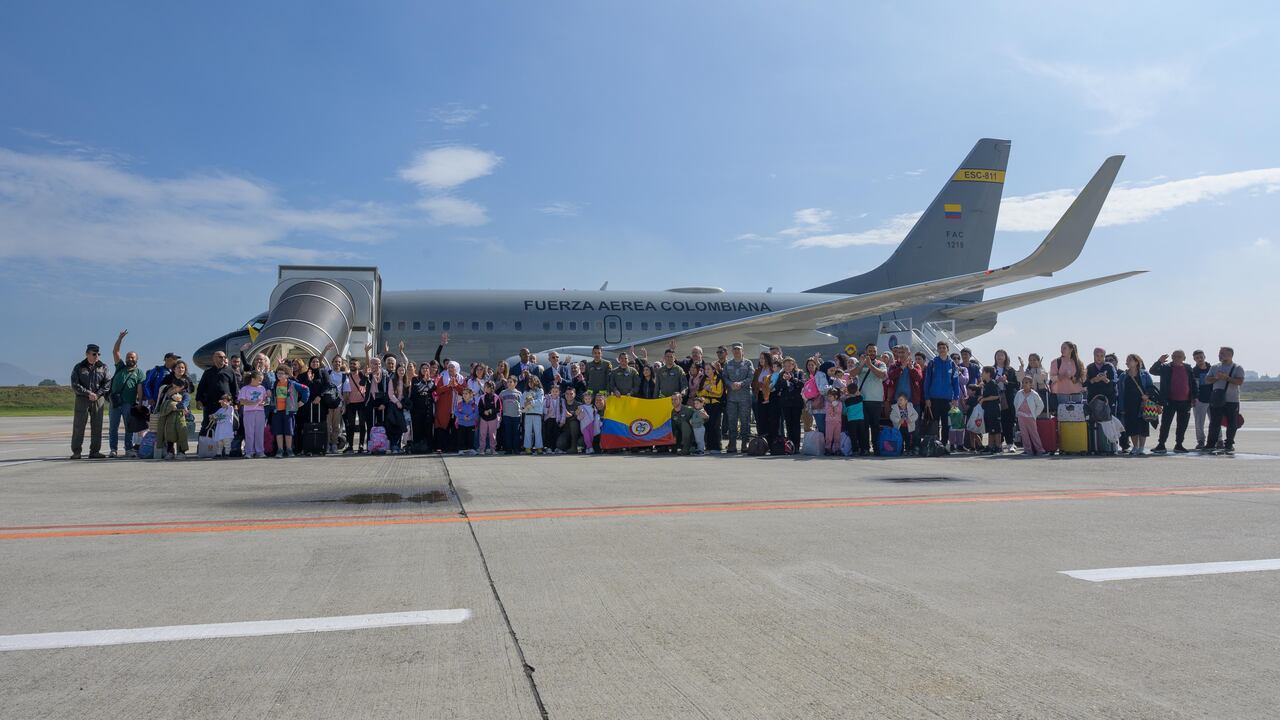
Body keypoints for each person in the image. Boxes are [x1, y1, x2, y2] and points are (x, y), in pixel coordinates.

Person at [1150, 350, 1198, 453]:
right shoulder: (1166, 367)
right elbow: (1152, 371)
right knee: (1165, 424)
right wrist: (1159, 361)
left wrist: (1195, 396)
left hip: (1185, 402)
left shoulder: (1188, 368)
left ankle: (1179, 445)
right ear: (1171, 357)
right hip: (1170, 401)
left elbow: (1193, 383)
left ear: (1184, 358)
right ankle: (1161, 444)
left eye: (1179, 356)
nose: (1177, 358)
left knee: (1182, 425)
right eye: (1175, 356)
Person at [70, 343, 111, 459]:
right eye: (94, 354)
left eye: (98, 354)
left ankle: (95, 451)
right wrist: (88, 393)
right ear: (87, 354)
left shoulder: (103, 367)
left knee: (97, 426)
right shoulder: (79, 367)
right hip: (82, 399)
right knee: (79, 426)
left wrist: (97, 394)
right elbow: (75, 384)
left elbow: (107, 383)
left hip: (98, 399)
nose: (96, 356)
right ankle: (76, 451)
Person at [107, 330, 144, 458]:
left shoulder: (139, 372)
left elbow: (140, 388)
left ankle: (128, 448)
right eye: (128, 357)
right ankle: (113, 449)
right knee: (113, 427)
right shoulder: (120, 367)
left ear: (136, 359)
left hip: (128, 403)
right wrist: (120, 338)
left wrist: (139, 403)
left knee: (129, 427)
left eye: (132, 357)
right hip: (115, 402)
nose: (130, 359)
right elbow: (115, 352)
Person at [1203, 347, 1244, 455]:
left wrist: (1227, 378)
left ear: (1230, 355)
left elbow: (1240, 381)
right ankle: (1210, 444)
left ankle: (1229, 444)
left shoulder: (1237, 367)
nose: (1220, 355)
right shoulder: (1215, 367)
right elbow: (1207, 380)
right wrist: (1216, 378)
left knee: (1232, 423)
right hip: (1217, 399)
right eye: (1220, 353)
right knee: (1214, 423)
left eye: (1223, 353)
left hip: (1232, 400)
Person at [1116, 354, 1159, 456]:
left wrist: (1147, 395)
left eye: (1130, 360)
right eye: (1127, 360)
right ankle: (1135, 447)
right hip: (1129, 404)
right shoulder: (1123, 376)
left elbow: (1151, 387)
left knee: (1143, 426)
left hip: (1142, 404)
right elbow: (1120, 392)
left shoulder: (1144, 374)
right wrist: (1121, 406)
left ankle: (1141, 448)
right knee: (1131, 426)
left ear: (1136, 362)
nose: (1127, 362)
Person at [922, 342, 962, 446]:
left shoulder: (953, 364)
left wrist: (956, 398)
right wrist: (927, 398)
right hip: (934, 398)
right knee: (934, 423)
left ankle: (944, 444)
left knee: (946, 424)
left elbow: (955, 382)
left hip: (947, 399)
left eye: (944, 348)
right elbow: (927, 381)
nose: (942, 349)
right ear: (937, 350)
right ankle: (934, 444)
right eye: (940, 348)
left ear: (947, 349)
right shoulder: (932, 363)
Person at [851, 345, 887, 455]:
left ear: (876, 352)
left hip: (876, 400)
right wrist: (862, 364)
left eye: (874, 351)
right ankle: (865, 448)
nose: (871, 353)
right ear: (866, 351)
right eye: (869, 351)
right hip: (862, 399)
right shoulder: (860, 363)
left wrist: (870, 365)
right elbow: (852, 374)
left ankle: (876, 448)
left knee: (875, 425)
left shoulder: (881, 363)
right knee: (864, 426)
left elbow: (882, 375)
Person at [196, 349, 239, 437]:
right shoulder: (208, 372)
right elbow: (201, 388)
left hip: (225, 405)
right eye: (220, 357)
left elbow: (235, 388)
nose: (223, 358)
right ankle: (207, 446)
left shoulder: (230, 371)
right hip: (210, 404)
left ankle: (225, 448)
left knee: (225, 425)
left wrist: (235, 403)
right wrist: (198, 400)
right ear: (214, 358)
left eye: (224, 357)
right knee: (208, 425)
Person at [269, 366, 310, 457]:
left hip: (288, 411)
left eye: (281, 373)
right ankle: (280, 450)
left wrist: (302, 402)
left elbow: (306, 389)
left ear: (287, 375)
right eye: (278, 373)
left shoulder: (293, 384)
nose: (279, 375)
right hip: (277, 411)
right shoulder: (275, 384)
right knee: (278, 431)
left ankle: (289, 449)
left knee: (289, 431)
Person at [721, 343, 754, 453]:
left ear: (742, 351)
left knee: (745, 421)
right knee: (732, 421)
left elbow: (751, 377)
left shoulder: (748, 363)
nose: (736, 351)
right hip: (732, 398)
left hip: (744, 397)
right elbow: (724, 377)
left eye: (738, 349)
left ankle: (745, 444)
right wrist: (730, 384)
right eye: (734, 349)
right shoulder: (728, 364)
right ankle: (732, 444)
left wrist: (741, 383)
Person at [773, 357, 805, 449]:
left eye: (789, 365)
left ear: (793, 365)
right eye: (785, 366)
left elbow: (802, 384)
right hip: (786, 403)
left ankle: (797, 446)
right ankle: (790, 445)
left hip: (796, 403)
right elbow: (777, 387)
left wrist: (791, 379)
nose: (787, 367)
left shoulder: (799, 373)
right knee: (788, 424)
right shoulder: (781, 374)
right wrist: (783, 380)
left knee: (796, 424)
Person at [238, 371, 269, 458]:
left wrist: (264, 402)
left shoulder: (262, 388)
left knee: (259, 432)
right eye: (259, 380)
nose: (261, 382)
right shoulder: (245, 388)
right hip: (248, 412)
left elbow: (265, 399)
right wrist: (251, 403)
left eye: (261, 380)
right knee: (249, 432)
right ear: (253, 379)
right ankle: (249, 452)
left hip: (260, 412)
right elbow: (241, 401)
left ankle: (260, 451)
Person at [1014, 376, 1047, 455]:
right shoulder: (1019, 393)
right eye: (1023, 383)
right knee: (1024, 434)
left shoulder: (1034, 394)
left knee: (1034, 434)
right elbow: (1015, 402)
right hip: (1021, 416)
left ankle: (1040, 450)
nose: (1024, 384)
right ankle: (1028, 450)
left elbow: (1040, 405)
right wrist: (1018, 412)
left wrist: (1034, 414)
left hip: (1030, 417)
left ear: (1031, 384)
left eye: (1026, 383)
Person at [991, 350, 1018, 449]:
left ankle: (1010, 442)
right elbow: (986, 382)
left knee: (1008, 420)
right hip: (995, 398)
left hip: (1007, 398)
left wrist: (1006, 382)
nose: (999, 357)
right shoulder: (992, 369)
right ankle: (998, 443)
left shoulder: (1010, 370)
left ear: (1005, 357)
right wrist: (996, 381)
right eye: (997, 355)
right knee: (998, 420)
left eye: (1002, 355)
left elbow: (1016, 385)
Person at [697, 364, 725, 453]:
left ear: (713, 370)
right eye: (705, 369)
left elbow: (719, 393)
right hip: (706, 405)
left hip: (716, 405)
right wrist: (705, 390)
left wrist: (710, 389)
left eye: (709, 369)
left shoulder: (718, 379)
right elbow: (699, 393)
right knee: (707, 425)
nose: (707, 371)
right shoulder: (703, 379)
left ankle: (716, 447)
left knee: (715, 425)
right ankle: (709, 446)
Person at [1190, 349, 1214, 450]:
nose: (1199, 359)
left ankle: (1218, 440)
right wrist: (1192, 398)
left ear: (1204, 357)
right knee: (1199, 422)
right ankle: (1200, 441)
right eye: (1197, 358)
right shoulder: (1193, 371)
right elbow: (1191, 386)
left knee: (1215, 421)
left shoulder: (1213, 369)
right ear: (1194, 359)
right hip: (1199, 400)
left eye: (1201, 357)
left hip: (1213, 399)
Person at [343, 358, 368, 453]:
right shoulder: (346, 376)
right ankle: (350, 445)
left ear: (359, 365)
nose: (352, 365)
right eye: (351, 363)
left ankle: (361, 445)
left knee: (362, 425)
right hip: (350, 403)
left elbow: (368, 365)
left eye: (355, 364)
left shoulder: (362, 374)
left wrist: (366, 353)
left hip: (361, 402)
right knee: (350, 426)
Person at [978, 367, 1003, 453]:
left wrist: (984, 399)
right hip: (987, 409)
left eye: (983, 372)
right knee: (988, 429)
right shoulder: (986, 384)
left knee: (996, 429)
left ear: (988, 373)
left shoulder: (992, 383)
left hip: (993, 409)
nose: (982, 374)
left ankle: (998, 446)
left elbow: (996, 396)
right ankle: (989, 446)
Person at [521, 376, 545, 454]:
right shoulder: (526, 391)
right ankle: (527, 447)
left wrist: (531, 402)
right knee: (527, 431)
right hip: (528, 414)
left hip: (537, 414)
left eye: (532, 382)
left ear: (537, 382)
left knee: (537, 431)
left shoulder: (540, 391)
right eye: (529, 382)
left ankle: (539, 447)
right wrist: (524, 405)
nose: (530, 384)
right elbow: (522, 401)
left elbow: (540, 401)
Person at [499, 376, 523, 454]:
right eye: (508, 382)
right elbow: (499, 404)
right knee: (507, 432)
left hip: (516, 415)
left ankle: (516, 449)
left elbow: (522, 405)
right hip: (506, 415)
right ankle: (508, 449)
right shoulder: (503, 393)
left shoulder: (519, 393)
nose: (508, 383)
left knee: (516, 433)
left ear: (515, 383)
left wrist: (521, 414)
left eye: (511, 382)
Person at [477, 381, 501, 455]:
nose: (485, 388)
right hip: (483, 419)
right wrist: (484, 412)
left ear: (492, 388)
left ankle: (493, 449)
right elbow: (479, 408)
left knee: (492, 435)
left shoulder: (496, 397)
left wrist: (491, 410)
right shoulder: (482, 397)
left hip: (493, 419)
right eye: (485, 387)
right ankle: (482, 450)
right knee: (482, 434)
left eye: (487, 387)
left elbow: (498, 409)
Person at [455, 387, 479, 456]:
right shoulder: (460, 404)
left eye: (466, 393)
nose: (464, 395)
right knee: (461, 437)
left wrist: (470, 417)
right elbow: (456, 412)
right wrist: (463, 417)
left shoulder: (474, 404)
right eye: (463, 393)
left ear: (471, 395)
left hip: (471, 424)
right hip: (461, 424)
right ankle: (461, 449)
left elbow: (476, 413)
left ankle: (471, 449)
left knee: (471, 437)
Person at [559, 387, 582, 454]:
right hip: (566, 430)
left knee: (573, 423)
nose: (569, 395)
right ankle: (569, 446)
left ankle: (574, 447)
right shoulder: (561, 404)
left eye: (571, 394)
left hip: (577, 432)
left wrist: (573, 415)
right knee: (560, 444)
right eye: (567, 394)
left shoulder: (579, 405)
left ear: (575, 394)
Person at [543, 383, 565, 453]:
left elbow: (563, 412)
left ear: (559, 392)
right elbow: (543, 408)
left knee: (556, 433)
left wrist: (562, 421)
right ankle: (548, 447)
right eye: (553, 391)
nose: (554, 393)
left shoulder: (561, 400)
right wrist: (547, 410)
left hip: (557, 419)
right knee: (548, 433)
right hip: (549, 419)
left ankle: (556, 447)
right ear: (550, 391)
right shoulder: (547, 399)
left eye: (556, 391)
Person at [822, 387, 843, 455]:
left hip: (837, 422)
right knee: (829, 436)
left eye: (830, 396)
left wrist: (835, 406)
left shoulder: (839, 403)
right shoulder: (827, 403)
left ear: (836, 396)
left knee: (837, 437)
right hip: (829, 422)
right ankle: (828, 448)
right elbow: (827, 411)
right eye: (828, 396)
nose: (829, 397)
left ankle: (837, 449)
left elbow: (839, 411)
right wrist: (831, 406)